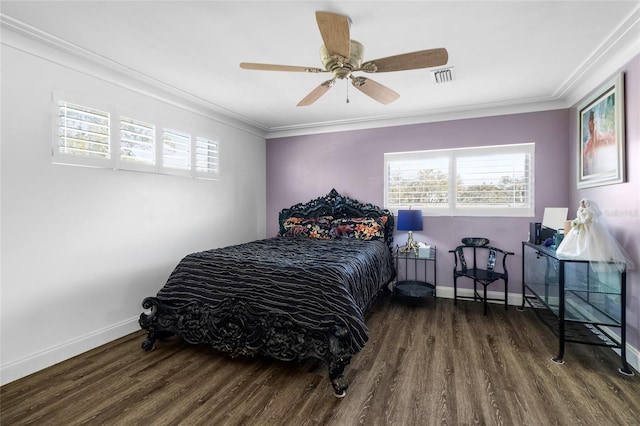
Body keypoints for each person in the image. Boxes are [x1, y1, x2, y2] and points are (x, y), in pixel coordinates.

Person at [556, 199, 632, 273]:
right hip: (580, 227)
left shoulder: (589, 212)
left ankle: (591, 253)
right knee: (578, 240)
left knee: (591, 240)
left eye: (583, 203)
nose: (581, 205)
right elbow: (579, 217)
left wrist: (581, 221)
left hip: (587, 227)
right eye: (581, 204)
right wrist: (577, 221)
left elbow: (587, 220)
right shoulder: (580, 210)